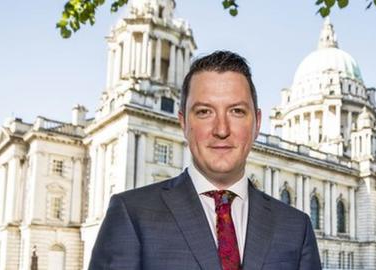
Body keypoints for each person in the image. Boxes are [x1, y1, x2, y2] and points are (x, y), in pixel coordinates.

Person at [88, 51, 321, 270]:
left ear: (257, 123)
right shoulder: (131, 214)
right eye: (204, 112)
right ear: (183, 123)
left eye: (237, 111)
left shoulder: (296, 227)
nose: (221, 129)